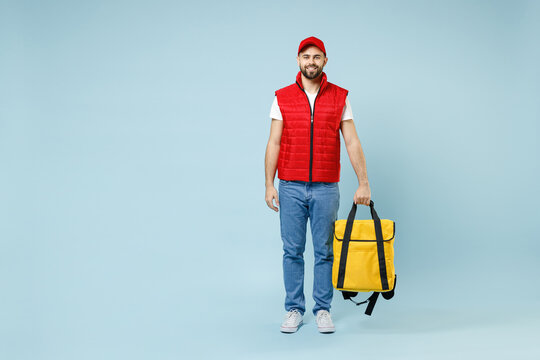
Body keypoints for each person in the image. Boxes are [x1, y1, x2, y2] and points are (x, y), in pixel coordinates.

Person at [264, 36, 371, 334]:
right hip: (290, 186)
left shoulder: (339, 97)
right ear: (298, 60)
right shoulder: (282, 97)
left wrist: (364, 183)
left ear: (325, 61)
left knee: (324, 251)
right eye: (306, 56)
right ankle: (294, 310)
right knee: (292, 251)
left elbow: (351, 141)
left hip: (325, 187)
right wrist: (268, 184)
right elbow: (273, 142)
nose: (311, 61)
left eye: (317, 56)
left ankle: (323, 309)